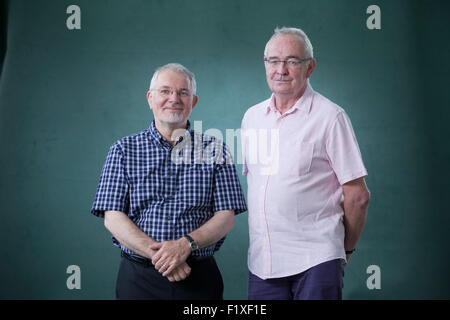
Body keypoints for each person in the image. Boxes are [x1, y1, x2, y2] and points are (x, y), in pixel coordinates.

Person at [91, 63, 247, 300]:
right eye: (165, 91)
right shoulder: (123, 150)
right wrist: (164, 257)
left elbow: (226, 218)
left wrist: (184, 246)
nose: (174, 98)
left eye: (183, 92)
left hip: (199, 277)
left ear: (193, 102)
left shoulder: (216, 149)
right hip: (139, 279)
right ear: (150, 98)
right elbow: (112, 217)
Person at [241, 27, 370, 300]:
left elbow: (358, 196)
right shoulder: (252, 118)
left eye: (292, 61)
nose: (281, 70)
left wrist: (343, 250)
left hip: (316, 261)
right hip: (263, 263)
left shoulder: (330, 117)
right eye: (273, 61)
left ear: (309, 67)